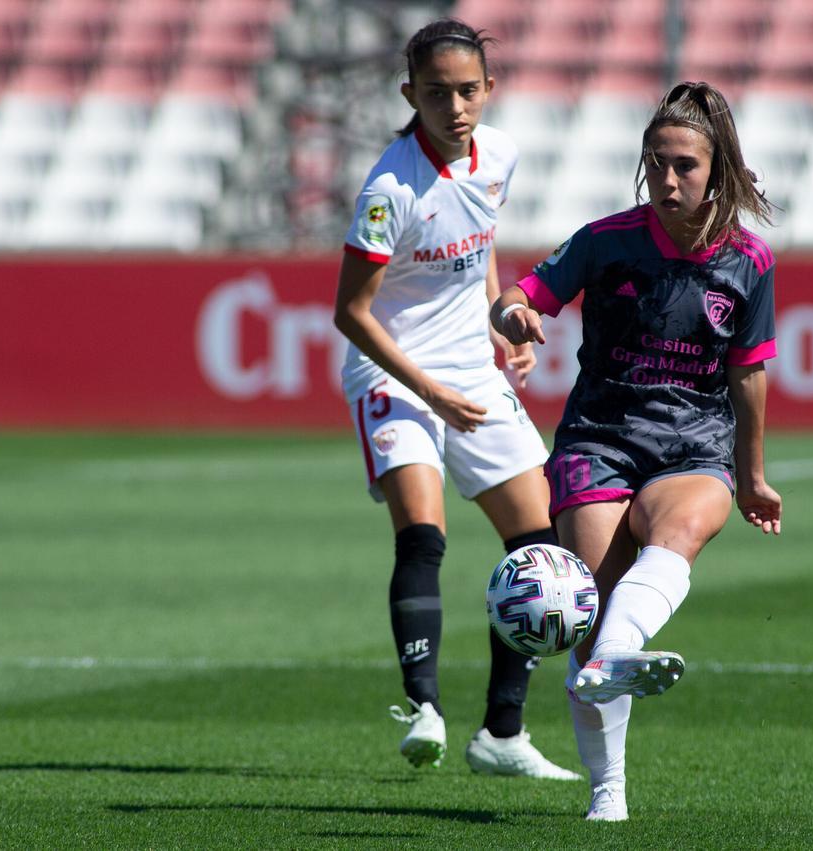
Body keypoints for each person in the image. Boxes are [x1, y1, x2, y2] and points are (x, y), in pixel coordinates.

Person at [490, 81, 783, 820]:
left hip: (694, 444)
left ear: (716, 171)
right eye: (656, 164)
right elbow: (521, 294)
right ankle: (608, 789)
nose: (667, 180)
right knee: (589, 613)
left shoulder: (750, 262)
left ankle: (622, 644)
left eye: (684, 165)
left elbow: (748, 374)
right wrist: (516, 314)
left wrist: (751, 478)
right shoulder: (606, 240)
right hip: (600, 440)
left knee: (679, 532)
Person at [333, 18, 578, 781]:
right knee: (424, 537)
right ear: (411, 94)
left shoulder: (498, 154)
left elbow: (480, 243)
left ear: (489, 90)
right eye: (436, 93)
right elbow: (351, 313)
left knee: (543, 543)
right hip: (392, 371)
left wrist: (505, 321)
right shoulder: (389, 189)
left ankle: (502, 732)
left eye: (468, 90)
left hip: (470, 370)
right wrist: (428, 388)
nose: (455, 105)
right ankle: (424, 707)